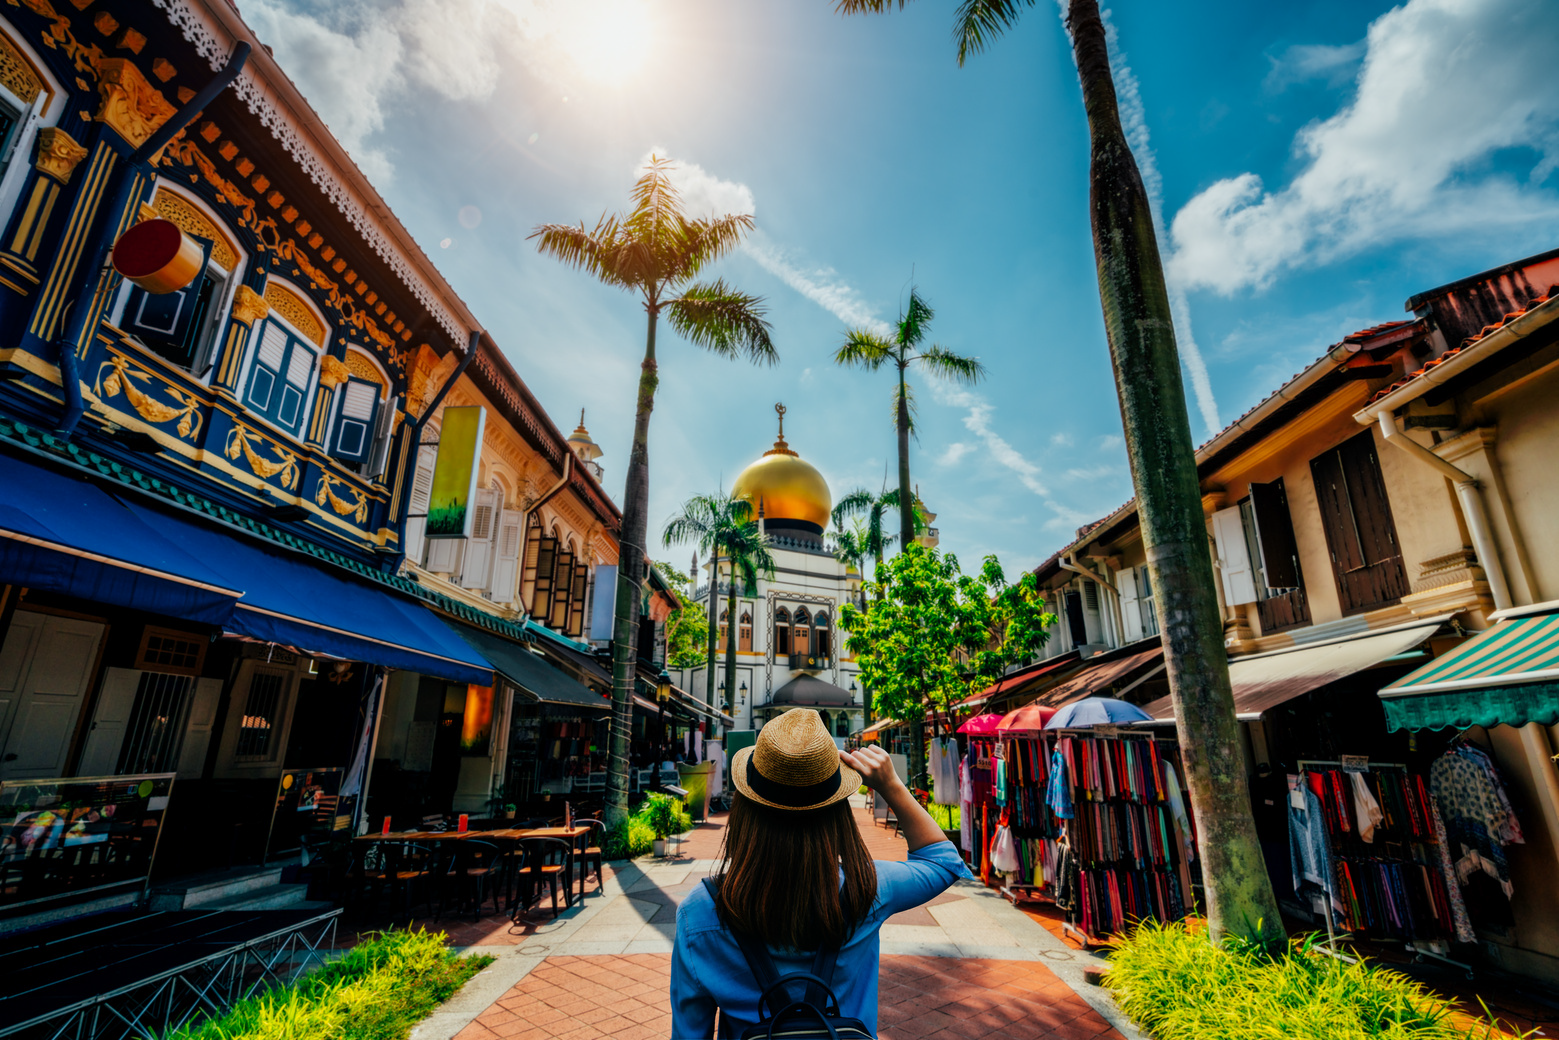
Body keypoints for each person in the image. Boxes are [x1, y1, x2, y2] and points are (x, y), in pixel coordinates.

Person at [671, 708, 970, 1038]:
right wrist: (891, 785)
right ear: (837, 812)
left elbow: (689, 1033)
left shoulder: (700, 912)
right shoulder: (867, 891)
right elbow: (942, 861)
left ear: (745, 809)